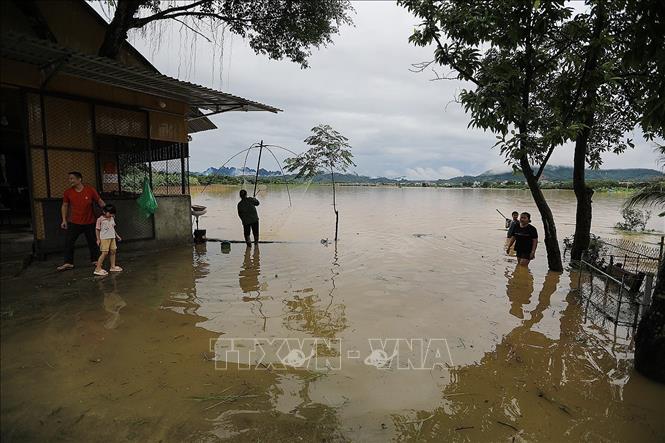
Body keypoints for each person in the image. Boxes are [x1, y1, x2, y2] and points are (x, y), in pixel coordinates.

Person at [57, 172, 105, 271]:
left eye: (72, 178)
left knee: (93, 242)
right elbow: (65, 206)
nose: (70, 181)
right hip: (74, 222)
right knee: (69, 242)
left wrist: (108, 212)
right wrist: (64, 220)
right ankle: (68, 263)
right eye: (69, 179)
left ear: (79, 179)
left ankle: (95, 260)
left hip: (90, 221)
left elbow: (99, 201)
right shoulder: (68, 192)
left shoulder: (90, 190)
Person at [94, 204, 122, 276]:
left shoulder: (112, 218)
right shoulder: (100, 219)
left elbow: (112, 228)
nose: (111, 215)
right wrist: (98, 239)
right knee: (104, 253)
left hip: (112, 237)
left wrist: (117, 236)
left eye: (112, 213)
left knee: (113, 251)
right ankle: (98, 269)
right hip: (104, 238)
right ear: (104, 212)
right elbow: (97, 229)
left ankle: (112, 266)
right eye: (109, 213)